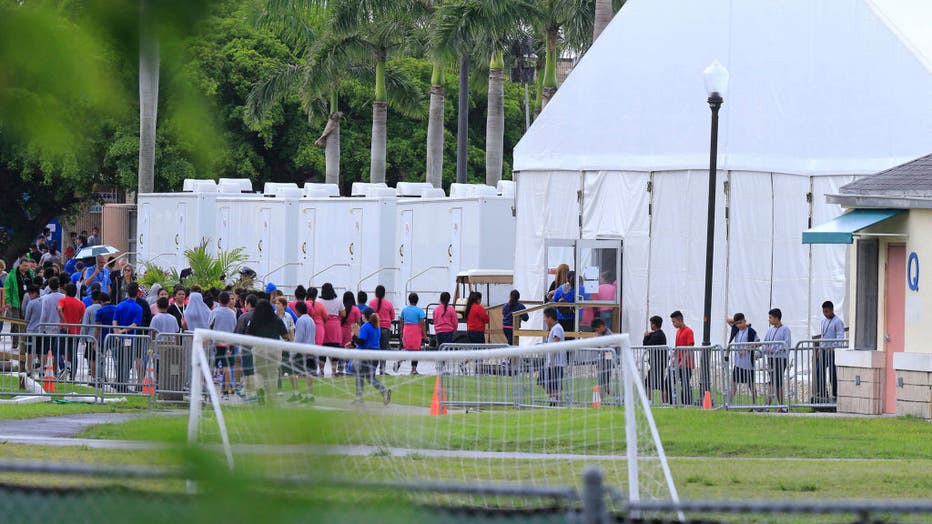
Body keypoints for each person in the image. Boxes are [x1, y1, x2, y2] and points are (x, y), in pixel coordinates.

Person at [245, 299, 288, 404]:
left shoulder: (254, 320)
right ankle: (272, 400)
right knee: (273, 374)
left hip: (259, 349)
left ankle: (260, 389)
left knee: (259, 372)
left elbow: (248, 336)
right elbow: (285, 335)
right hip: (274, 349)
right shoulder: (276, 319)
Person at [354, 312, 391, 405]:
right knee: (370, 378)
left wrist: (354, 335)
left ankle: (359, 397)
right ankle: (384, 391)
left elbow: (361, 341)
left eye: (362, 315)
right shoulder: (377, 327)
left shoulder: (365, 326)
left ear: (365, 316)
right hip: (375, 354)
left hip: (366, 354)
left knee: (360, 376)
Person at [113, 283, 144, 392]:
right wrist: (123, 331)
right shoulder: (138, 308)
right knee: (128, 361)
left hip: (119, 338)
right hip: (129, 339)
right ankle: (122, 384)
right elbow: (135, 324)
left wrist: (117, 333)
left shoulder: (120, 305)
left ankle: (119, 381)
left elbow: (114, 321)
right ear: (137, 294)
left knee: (120, 360)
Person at [727, 313, 759, 408]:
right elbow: (728, 321)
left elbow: (758, 343)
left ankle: (754, 404)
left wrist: (746, 348)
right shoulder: (736, 329)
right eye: (737, 323)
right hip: (738, 363)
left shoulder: (751, 331)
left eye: (741, 323)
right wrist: (735, 322)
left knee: (751, 385)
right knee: (733, 383)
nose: (739, 325)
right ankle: (728, 403)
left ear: (745, 321)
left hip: (748, 363)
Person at [208, 291, 237, 397]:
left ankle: (209, 388)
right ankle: (226, 389)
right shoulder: (232, 313)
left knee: (212, 365)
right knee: (227, 366)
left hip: (215, 342)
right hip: (228, 343)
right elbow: (234, 326)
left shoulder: (214, 312)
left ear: (219, 300)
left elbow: (210, 325)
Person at [762, 308, 791, 412]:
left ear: (776, 318)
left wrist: (774, 350)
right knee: (777, 383)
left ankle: (766, 405)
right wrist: (762, 352)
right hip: (770, 359)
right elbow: (765, 342)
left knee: (774, 382)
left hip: (780, 359)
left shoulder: (785, 329)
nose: (769, 320)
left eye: (770, 317)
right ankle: (782, 406)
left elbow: (786, 344)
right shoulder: (770, 330)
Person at [288, 300, 317, 403]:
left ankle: (296, 392)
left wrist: (292, 353)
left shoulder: (300, 321)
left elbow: (298, 338)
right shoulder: (311, 320)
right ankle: (310, 394)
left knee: (290, 370)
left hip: (302, 350)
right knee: (309, 373)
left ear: (297, 310)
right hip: (311, 349)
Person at [817, 301, 845, 403]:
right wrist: (820, 349)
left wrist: (832, 347)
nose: (825, 314)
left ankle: (835, 394)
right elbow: (822, 337)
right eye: (824, 312)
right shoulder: (823, 321)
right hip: (824, 350)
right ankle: (823, 393)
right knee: (819, 371)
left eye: (827, 312)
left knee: (833, 373)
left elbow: (840, 338)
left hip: (832, 352)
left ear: (832, 310)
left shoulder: (838, 322)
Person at [57, 283, 85, 380]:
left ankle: (64, 367)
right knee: (73, 354)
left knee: (58, 351)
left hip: (64, 330)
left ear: (66, 291)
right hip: (75, 331)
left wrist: (64, 322)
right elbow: (83, 318)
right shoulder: (80, 304)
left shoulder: (63, 300)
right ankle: (72, 377)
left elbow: (59, 309)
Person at [38, 277, 65, 376]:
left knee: (46, 351)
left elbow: (43, 314)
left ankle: (44, 369)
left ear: (49, 286)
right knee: (57, 351)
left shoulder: (46, 298)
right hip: (59, 328)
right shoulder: (63, 297)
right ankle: (55, 370)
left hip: (48, 328)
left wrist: (41, 328)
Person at [394, 293, 427, 375]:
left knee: (407, 349)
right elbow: (422, 324)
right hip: (416, 331)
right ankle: (413, 369)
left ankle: (399, 361)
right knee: (416, 350)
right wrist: (425, 335)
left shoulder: (404, 310)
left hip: (407, 330)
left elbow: (401, 321)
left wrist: (401, 332)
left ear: (409, 300)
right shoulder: (419, 310)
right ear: (417, 301)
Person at [234, 294, 258, 398]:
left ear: (248, 303)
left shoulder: (244, 317)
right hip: (260, 348)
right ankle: (249, 390)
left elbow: (238, 334)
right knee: (256, 370)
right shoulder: (262, 316)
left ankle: (250, 392)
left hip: (246, 347)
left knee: (248, 370)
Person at [670, 310, 696, 406]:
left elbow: (690, 348)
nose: (673, 324)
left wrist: (683, 361)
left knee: (685, 384)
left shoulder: (689, 331)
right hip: (678, 363)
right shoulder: (678, 332)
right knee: (671, 381)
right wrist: (674, 360)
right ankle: (673, 402)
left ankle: (688, 403)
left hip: (687, 364)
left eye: (674, 322)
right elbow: (677, 348)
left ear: (680, 320)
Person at [367, 285, 395, 375]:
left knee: (374, 349)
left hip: (375, 328)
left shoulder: (371, 303)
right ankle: (382, 370)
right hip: (385, 329)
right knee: (383, 350)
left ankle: (373, 370)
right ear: (384, 293)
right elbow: (393, 316)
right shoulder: (389, 304)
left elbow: (369, 315)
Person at [319, 283, 345, 376]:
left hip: (324, 325)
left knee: (322, 349)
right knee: (335, 348)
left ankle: (321, 371)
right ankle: (334, 371)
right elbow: (343, 314)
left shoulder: (320, 301)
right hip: (335, 326)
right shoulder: (338, 301)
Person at [542, 308, 566, 404]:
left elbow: (556, 344)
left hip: (556, 362)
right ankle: (554, 400)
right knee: (545, 381)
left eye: (545, 318)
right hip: (552, 362)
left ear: (550, 318)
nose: (544, 320)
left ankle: (555, 401)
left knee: (554, 384)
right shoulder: (555, 328)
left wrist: (551, 360)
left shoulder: (557, 328)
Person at [642, 315, 668, 403]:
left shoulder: (658, 335)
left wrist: (645, 337)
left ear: (654, 325)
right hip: (656, 363)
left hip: (658, 363)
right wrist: (648, 335)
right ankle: (663, 402)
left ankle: (661, 402)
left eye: (651, 324)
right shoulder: (657, 334)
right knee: (653, 382)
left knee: (650, 382)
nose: (650, 326)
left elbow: (646, 345)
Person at [591, 318, 617, 397]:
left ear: (602, 326)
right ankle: (613, 398)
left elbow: (610, 350)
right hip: (601, 363)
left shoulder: (610, 336)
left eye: (597, 329)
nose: (597, 332)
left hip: (606, 364)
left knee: (604, 384)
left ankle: (616, 398)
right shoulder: (600, 335)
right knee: (601, 384)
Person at [93, 293, 116, 382]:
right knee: (117, 359)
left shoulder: (100, 311)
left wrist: (95, 340)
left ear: (101, 302)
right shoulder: (116, 309)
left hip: (103, 337)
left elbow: (97, 328)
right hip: (115, 337)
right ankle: (118, 378)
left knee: (101, 359)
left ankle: (102, 378)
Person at [339, 291, 362, 375]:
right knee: (351, 351)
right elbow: (358, 323)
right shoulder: (356, 309)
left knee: (341, 350)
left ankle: (340, 369)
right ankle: (348, 369)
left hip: (342, 332)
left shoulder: (342, 309)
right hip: (351, 332)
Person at [551, 271, 577, 336]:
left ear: (567, 278)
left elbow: (554, 300)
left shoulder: (560, 289)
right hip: (571, 317)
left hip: (560, 316)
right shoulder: (576, 289)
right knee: (570, 337)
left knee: (560, 336)